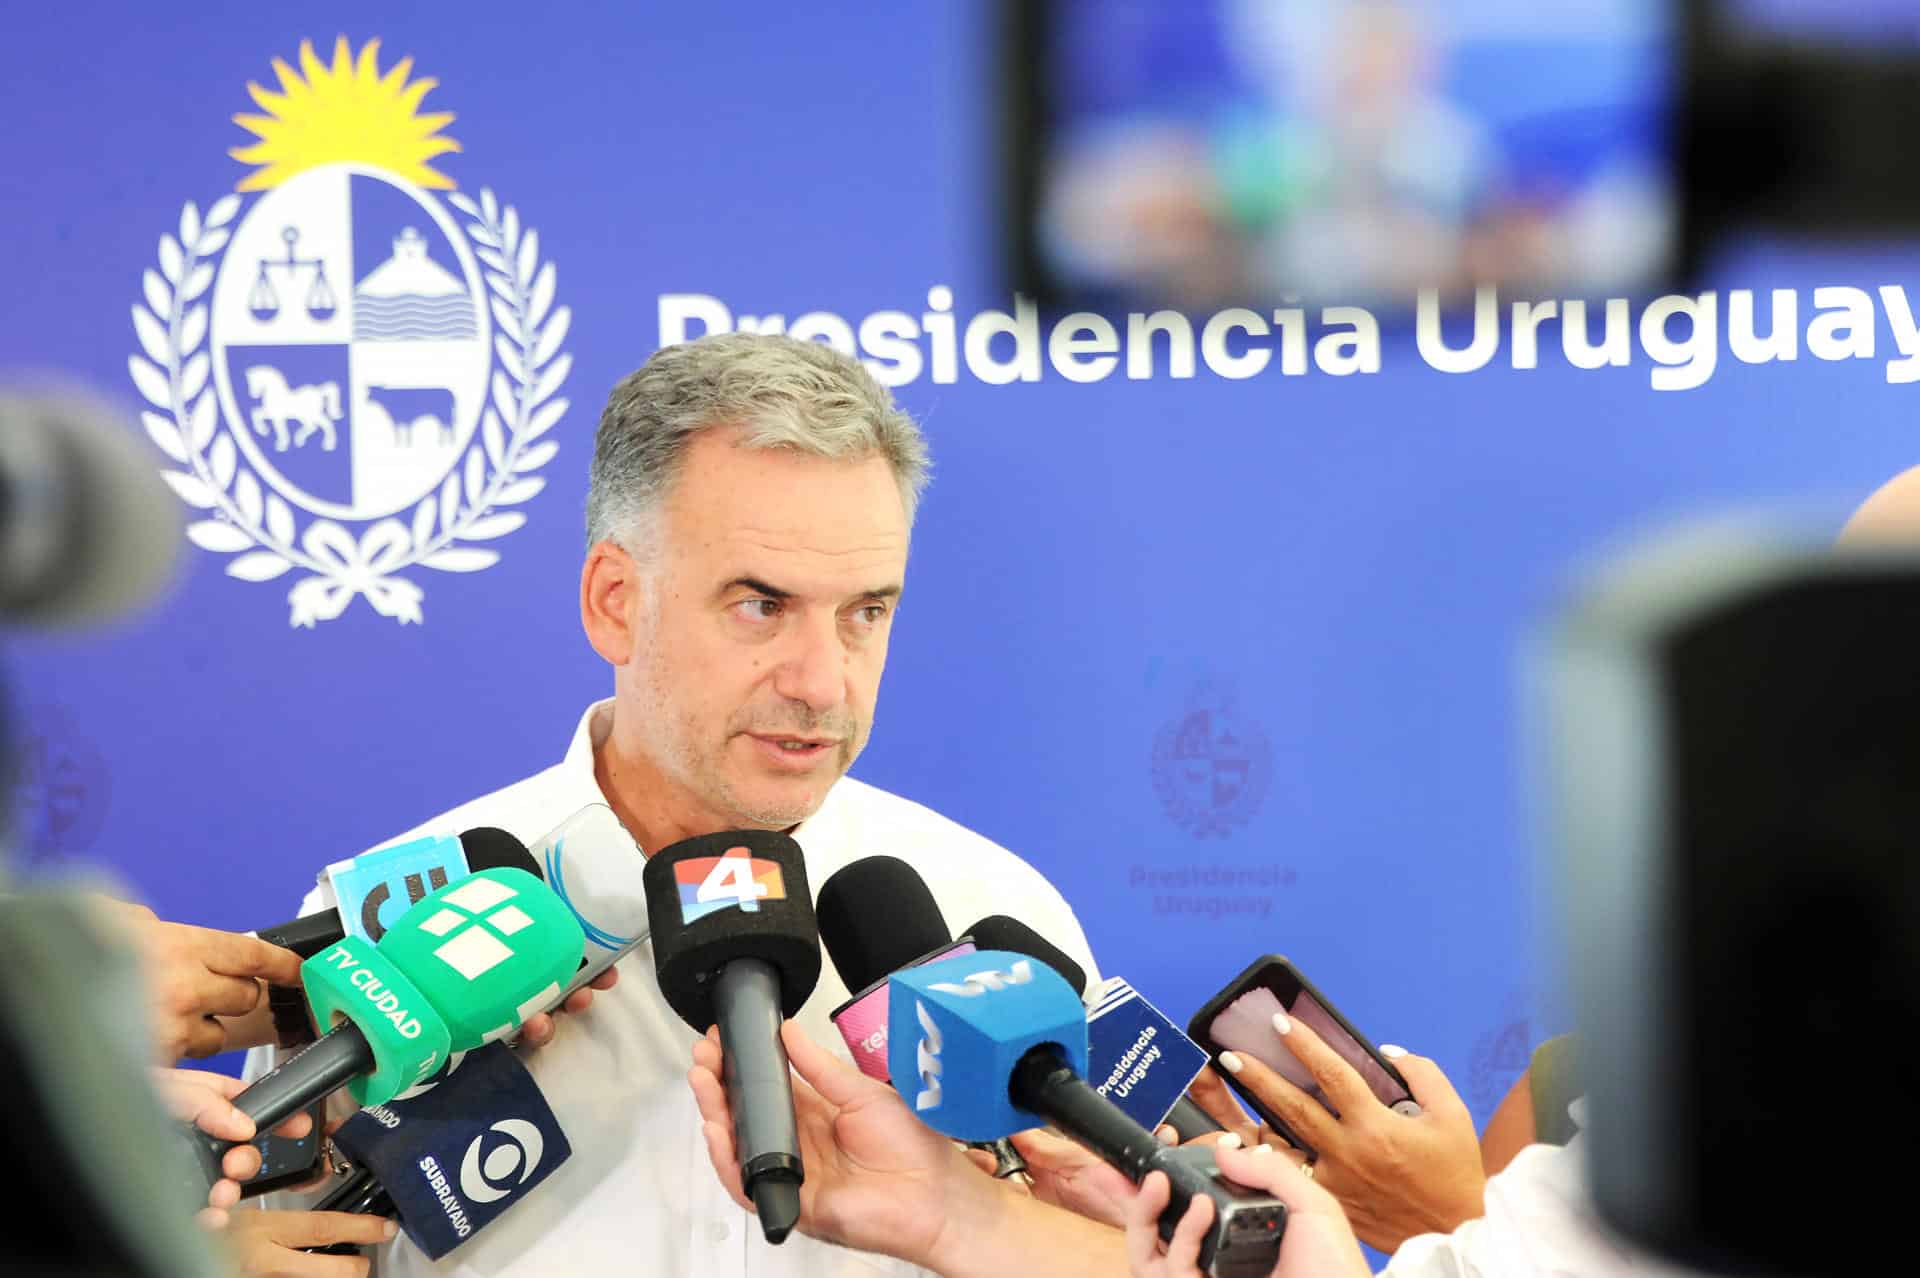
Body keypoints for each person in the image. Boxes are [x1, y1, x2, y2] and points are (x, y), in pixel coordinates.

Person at [249, 333, 1099, 1276]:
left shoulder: (994, 914)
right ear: (616, 601)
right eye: (761, 605)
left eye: (866, 611)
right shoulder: (381, 935)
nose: (825, 683)